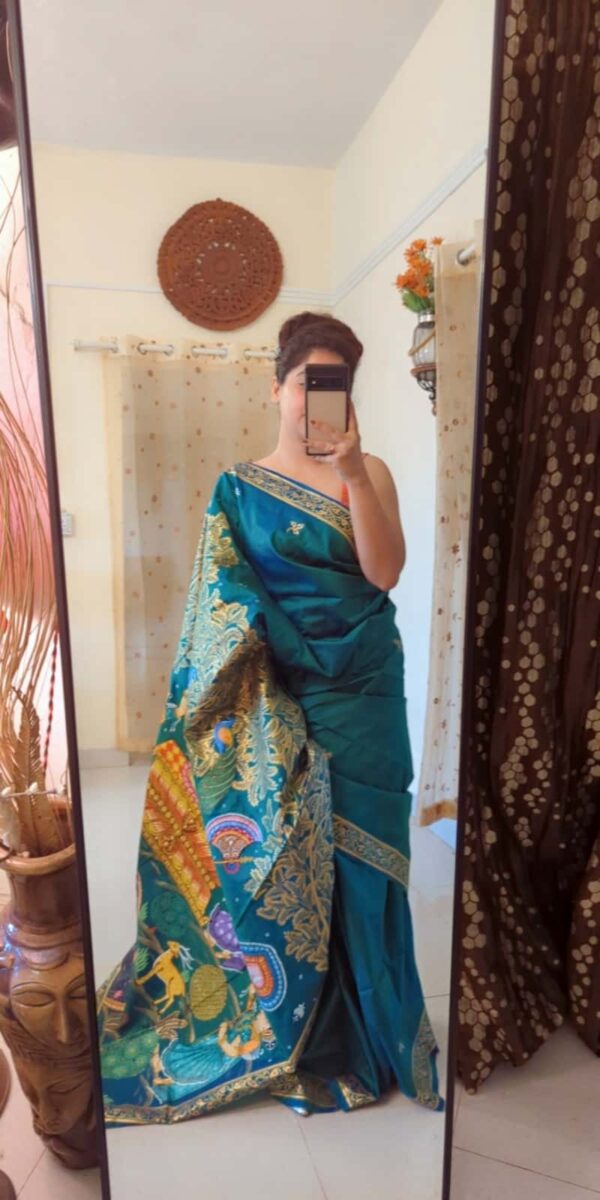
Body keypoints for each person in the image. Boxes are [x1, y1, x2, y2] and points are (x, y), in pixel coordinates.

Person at [98, 312, 443, 1124]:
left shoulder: (371, 470)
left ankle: (381, 1027)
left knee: (371, 854)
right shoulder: (238, 488)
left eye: (335, 385)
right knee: (293, 856)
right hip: (276, 693)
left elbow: (385, 572)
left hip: (366, 689)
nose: (316, 400)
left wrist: (353, 473)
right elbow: (220, 607)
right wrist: (262, 682)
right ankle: (307, 1027)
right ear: (277, 387)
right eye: (305, 383)